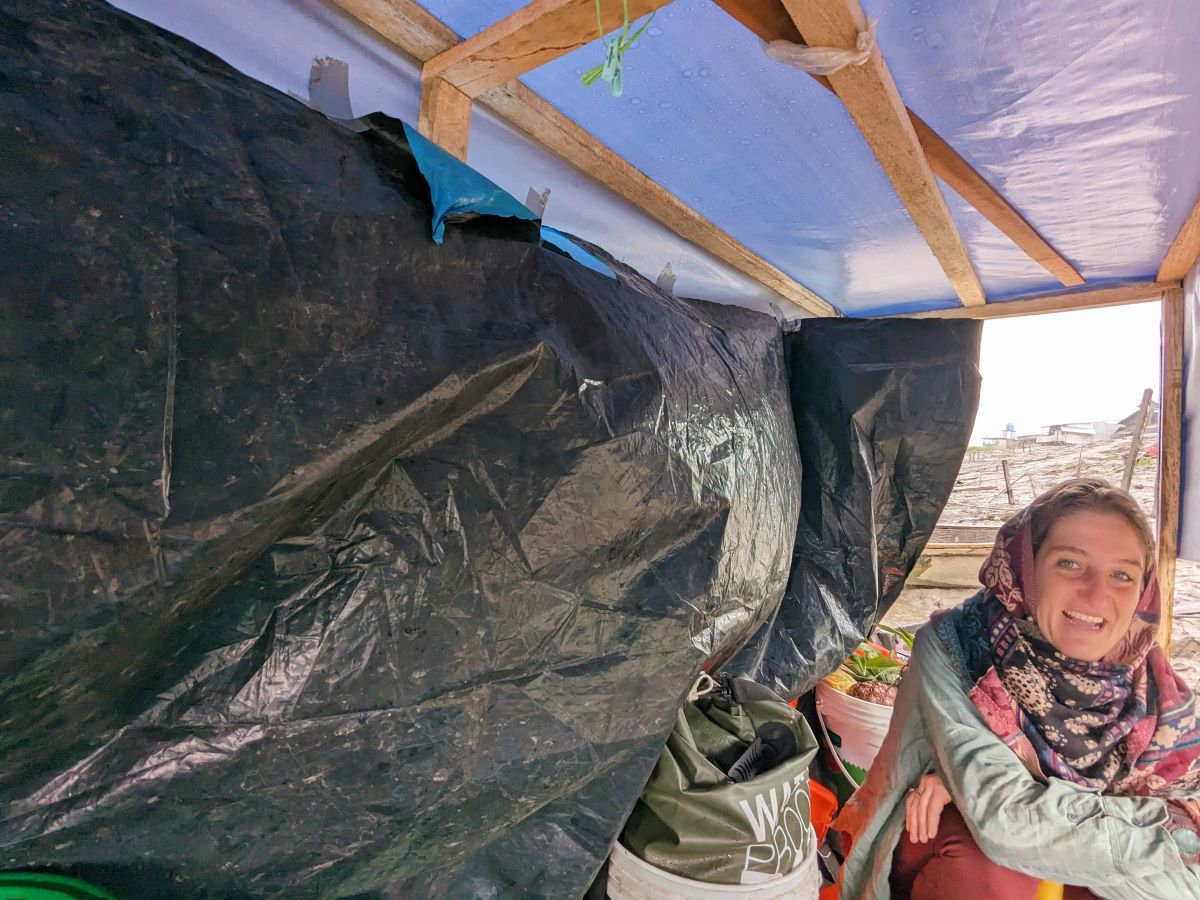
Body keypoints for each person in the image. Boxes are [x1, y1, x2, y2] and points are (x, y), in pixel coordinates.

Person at [833, 478, 1200, 899]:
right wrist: (1175, 836)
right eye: (1070, 563)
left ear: (1143, 590)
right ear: (1027, 565)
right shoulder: (960, 644)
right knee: (983, 862)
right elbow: (1005, 821)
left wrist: (1006, 790)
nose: (1097, 593)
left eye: (1121, 574)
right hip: (963, 859)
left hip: (1097, 869)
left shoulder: (1152, 686)